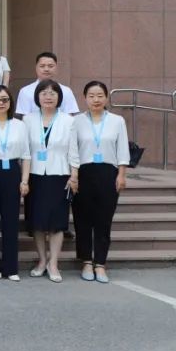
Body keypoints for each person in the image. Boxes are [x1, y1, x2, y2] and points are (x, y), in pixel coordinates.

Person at [72, 81, 129, 284]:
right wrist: (74, 175)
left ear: (106, 98)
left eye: (99, 96)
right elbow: (73, 150)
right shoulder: (76, 121)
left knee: (104, 220)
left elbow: (122, 149)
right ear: (85, 98)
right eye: (91, 96)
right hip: (83, 173)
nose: (96, 100)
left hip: (108, 173)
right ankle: (87, 261)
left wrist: (121, 175)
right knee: (82, 219)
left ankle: (100, 263)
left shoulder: (117, 121)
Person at [23, 79, 80, 283]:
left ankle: (53, 263)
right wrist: (23, 178)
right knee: (37, 222)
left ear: (59, 97)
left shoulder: (68, 121)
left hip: (59, 175)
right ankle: (41, 260)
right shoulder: (28, 120)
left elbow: (74, 150)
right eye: (44, 93)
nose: (48, 96)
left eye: (53, 93)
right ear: (37, 97)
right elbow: (25, 151)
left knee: (57, 222)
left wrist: (74, 175)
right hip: (35, 176)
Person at [0, 86, 29, 281]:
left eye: (5, 99)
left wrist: (24, 180)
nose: (1, 103)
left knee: (10, 221)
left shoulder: (19, 125)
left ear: (10, 102)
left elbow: (26, 155)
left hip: (12, 173)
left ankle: (11, 268)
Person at [15, 52, 80, 115]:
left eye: (50, 66)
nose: (46, 69)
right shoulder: (25, 91)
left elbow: (70, 116)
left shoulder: (66, 91)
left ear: (56, 68)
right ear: (36, 68)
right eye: (42, 66)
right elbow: (23, 118)